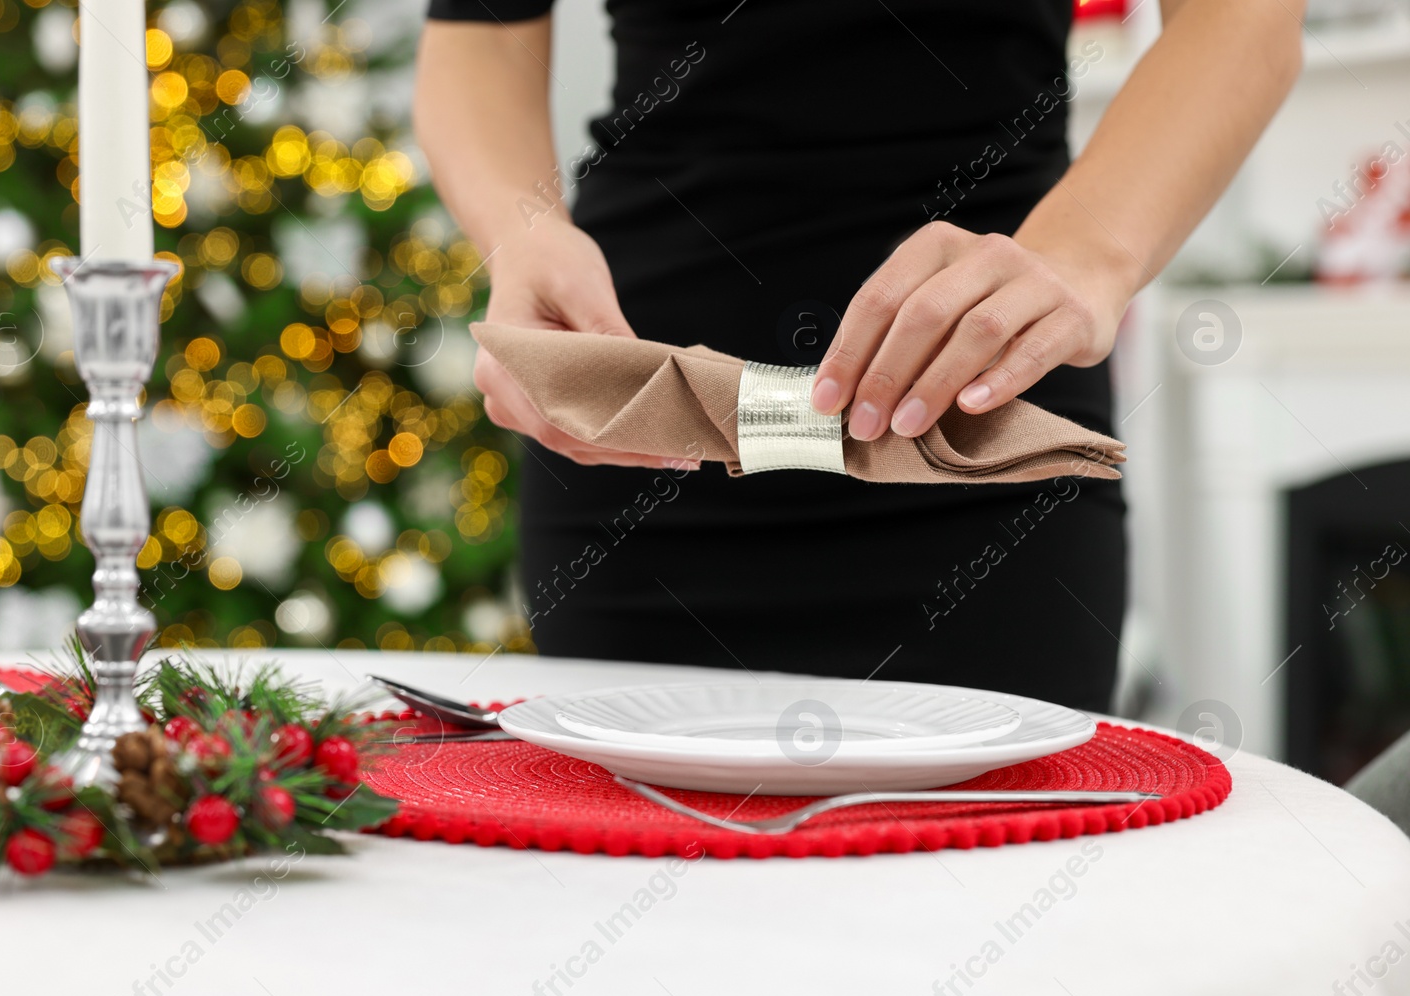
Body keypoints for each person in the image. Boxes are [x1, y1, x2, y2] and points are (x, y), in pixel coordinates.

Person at [413, 0, 1302, 711]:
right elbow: (480, 35)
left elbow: (1243, 17)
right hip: (646, 441)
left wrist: (1087, 254)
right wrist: (519, 234)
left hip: (983, 426)